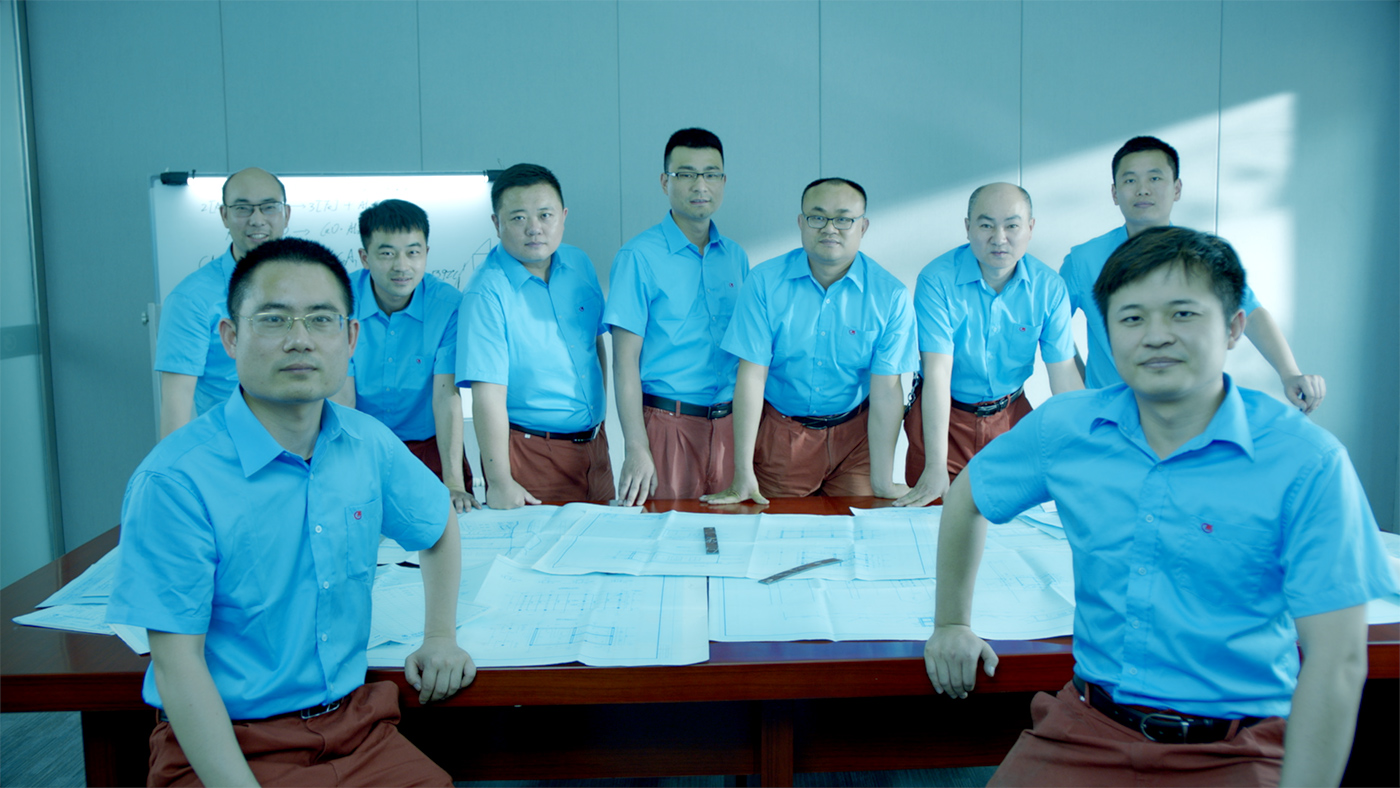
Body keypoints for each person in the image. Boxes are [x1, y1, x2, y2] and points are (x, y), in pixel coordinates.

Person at [924, 227, 1397, 787]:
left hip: (1238, 745)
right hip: (1089, 728)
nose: (1155, 336)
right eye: (1131, 318)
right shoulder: (1067, 427)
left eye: (1183, 314)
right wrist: (952, 622)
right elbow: (968, 495)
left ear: (1234, 327)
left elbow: (1337, 660)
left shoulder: (1306, 460)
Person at [108, 238, 474, 787]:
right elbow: (177, 668)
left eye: (322, 319)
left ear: (351, 338)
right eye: (274, 319)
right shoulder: (176, 480)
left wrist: (440, 634)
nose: (300, 339)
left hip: (358, 728)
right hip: (231, 741)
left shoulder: (369, 443)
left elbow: (438, 524)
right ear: (230, 337)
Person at [1061, 136, 1325, 412]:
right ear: (1115, 194)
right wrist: (1077, 385)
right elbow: (1051, 324)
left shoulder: (1203, 256)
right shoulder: (1083, 260)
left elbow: (1251, 313)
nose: (1143, 190)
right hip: (1109, 415)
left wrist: (1290, 373)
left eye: (1155, 178)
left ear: (1177, 189)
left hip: (1186, 413)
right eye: (1130, 180)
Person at [703, 178, 916, 504]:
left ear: (863, 226)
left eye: (843, 219)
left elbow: (887, 391)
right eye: (818, 217)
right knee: (776, 528)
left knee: (858, 525)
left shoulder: (891, 296)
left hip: (856, 437)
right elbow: (751, 376)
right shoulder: (764, 283)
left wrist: (883, 481)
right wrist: (742, 471)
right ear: (801, 223)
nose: (830, 228)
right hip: (784, 434)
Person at [896, 184, 1082, 508]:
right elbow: (938, 372)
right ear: (968, 227)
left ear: (1030, 228)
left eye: (1012, 226)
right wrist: (936, 465)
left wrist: (1084, 451)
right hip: (944, 418)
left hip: (1009, 417)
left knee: (1018, 518)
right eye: (986, 225)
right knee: (932, 517)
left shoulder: (1049, 287)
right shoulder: (937, 280)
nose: (999, 238)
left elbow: (1064, 376)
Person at [605, 128, 750, 504]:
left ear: (723, 181)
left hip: (731, 426)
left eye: (711, 174)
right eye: (686, 174)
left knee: (735, 530)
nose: (700, 185)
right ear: (664, 181)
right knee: (665, 531)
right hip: (668, 427)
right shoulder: (638, 257)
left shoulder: (736, 257)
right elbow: (624, 363)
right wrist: (636, 446)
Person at [457, 164, 612, 508]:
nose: (534, 229)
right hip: (531, 454)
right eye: (518, 218)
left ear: (563, 216)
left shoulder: (579, 263)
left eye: (545, 215)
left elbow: (594, 344)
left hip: (594, 448)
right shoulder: (486, 293)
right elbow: (487, 395)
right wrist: (500, 481)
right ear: (496, 223)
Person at [331, 199, 478, 512]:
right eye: (387, 253)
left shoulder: (449, 305)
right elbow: (342, 400)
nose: (402, 265)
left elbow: (445, 396)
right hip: (362, 446)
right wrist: (345, 473)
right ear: (364, 257)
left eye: (413, 252)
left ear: (426, 253)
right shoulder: (339, 301)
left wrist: (453, 483)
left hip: (429, 448)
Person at [155, 167, 290, 438]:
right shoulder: (191, 299)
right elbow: (176, 409)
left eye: (268, 207)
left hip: (310, 445)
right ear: (224, 216)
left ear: (286, 214)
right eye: (243, 208)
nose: (257, 219)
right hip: (232, 449)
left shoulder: (312, 283)